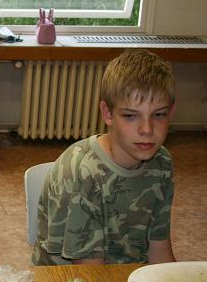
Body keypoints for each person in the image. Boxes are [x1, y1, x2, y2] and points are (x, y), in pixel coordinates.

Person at [32, 49, 177, 266]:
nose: (147, 129)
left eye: (158, 115)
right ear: (107, 113)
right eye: (130, 116)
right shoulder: (84, 173)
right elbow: (89, 277)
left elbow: (159, 253)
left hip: (123, 280)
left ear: (171, 113)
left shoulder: (162, 163)